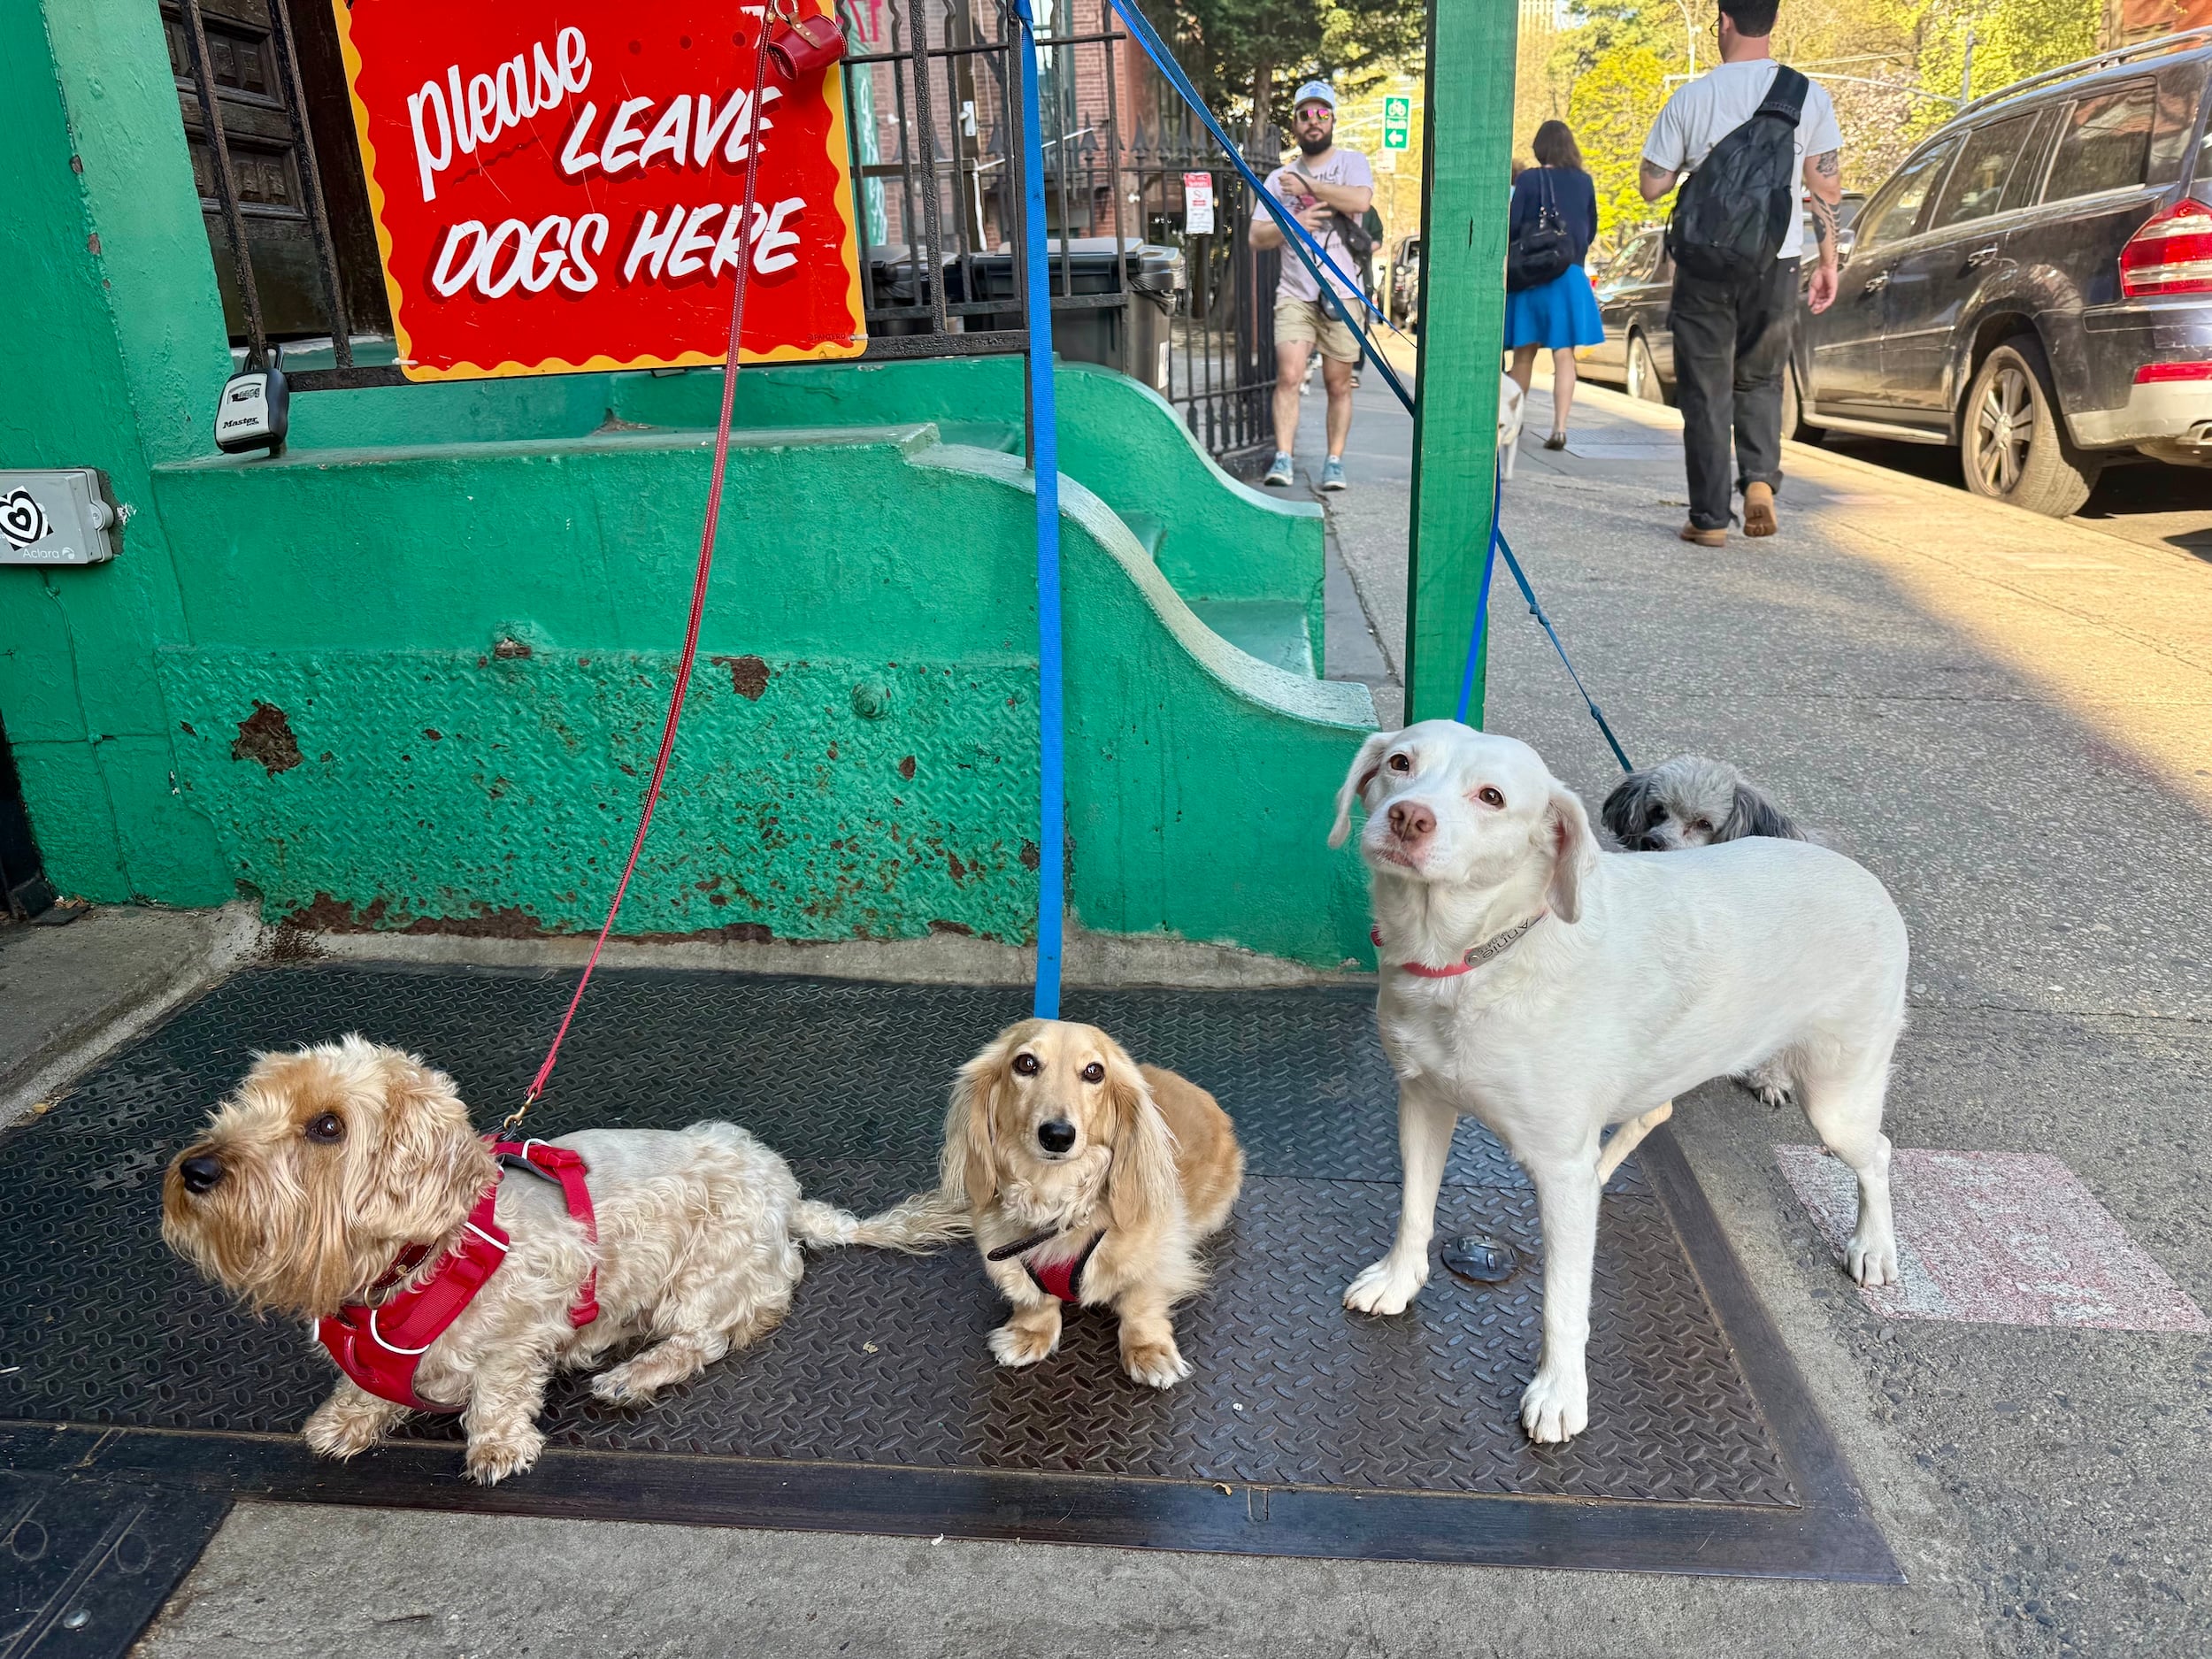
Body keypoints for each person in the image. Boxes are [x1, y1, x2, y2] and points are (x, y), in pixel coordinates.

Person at [1640, 0, 1841, 547]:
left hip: (1704, 262)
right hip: (1775, 260)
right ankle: (1758, 480)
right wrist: (1828, 262)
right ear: (1770, 22)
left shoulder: (1693, 96)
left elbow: (1652, 185)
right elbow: (1825, 189)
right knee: (1760, 376)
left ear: (1724, 21)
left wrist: (1690, 166)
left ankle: (1707, 520)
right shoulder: (1807, 95)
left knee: (1705, 389)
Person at [1250, 81, 1374, 492]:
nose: (1313, 121)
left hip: (1342, 292)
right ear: (1295, 124)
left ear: (1333, 119)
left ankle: (1334, 461)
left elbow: (1359, 203)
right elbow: (1256, 237)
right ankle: (1283, 456)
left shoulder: (1353, 163)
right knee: (1289, 375)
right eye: (1306, 115)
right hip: (1295, 293)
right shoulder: (1277, 177)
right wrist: (1293, 224)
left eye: (1322, 114)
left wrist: (1309, 189)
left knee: (1338, 383)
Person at [1503, 120, 1603, 450]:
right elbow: (1590, 229)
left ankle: (1513, 424)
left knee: (1524, 356)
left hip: (1533, 275)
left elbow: (1514, 227)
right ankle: (1559, 428)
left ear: (1539, 147)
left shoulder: (1530, 179)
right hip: (1569, 275)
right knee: (1564, 356)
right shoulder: (1585, 182)